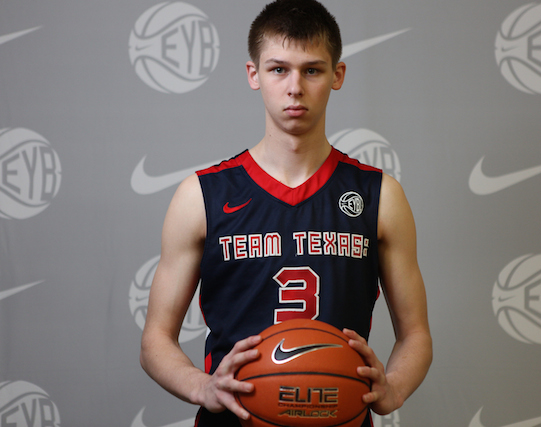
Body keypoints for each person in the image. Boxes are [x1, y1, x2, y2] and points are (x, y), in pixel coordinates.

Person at [140, 0, 432, 425]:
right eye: (279, 69)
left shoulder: (379, 195)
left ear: (337, 75)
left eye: (311, 70)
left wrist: (396, 386)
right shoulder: (201, 195)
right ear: (253, 75)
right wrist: (202, 386)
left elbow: (416, 334)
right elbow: (155, 340)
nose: (295, 86)